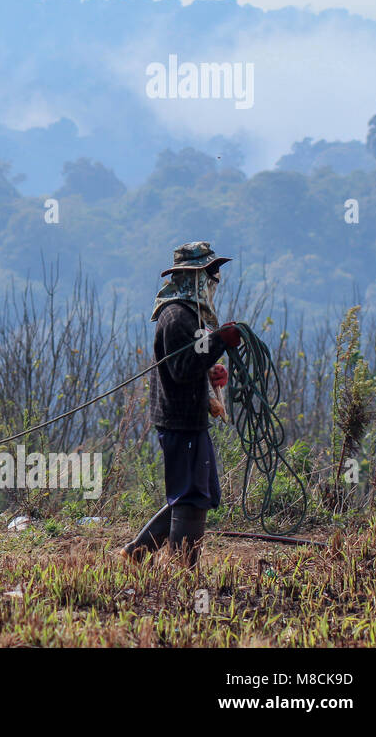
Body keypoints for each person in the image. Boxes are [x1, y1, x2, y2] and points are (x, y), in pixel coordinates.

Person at [119, 242, 243, 567]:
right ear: (192, 276)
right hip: (179, 421)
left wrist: (211, 367)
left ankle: (137, 553)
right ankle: (183, 572)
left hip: (189, 418)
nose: (215, 279)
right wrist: (219, 341)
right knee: (191, 495)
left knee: (198, 493)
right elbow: (182, 367)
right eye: (209, 273)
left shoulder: (190, 316)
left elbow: (193, 364)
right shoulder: (176, 317)